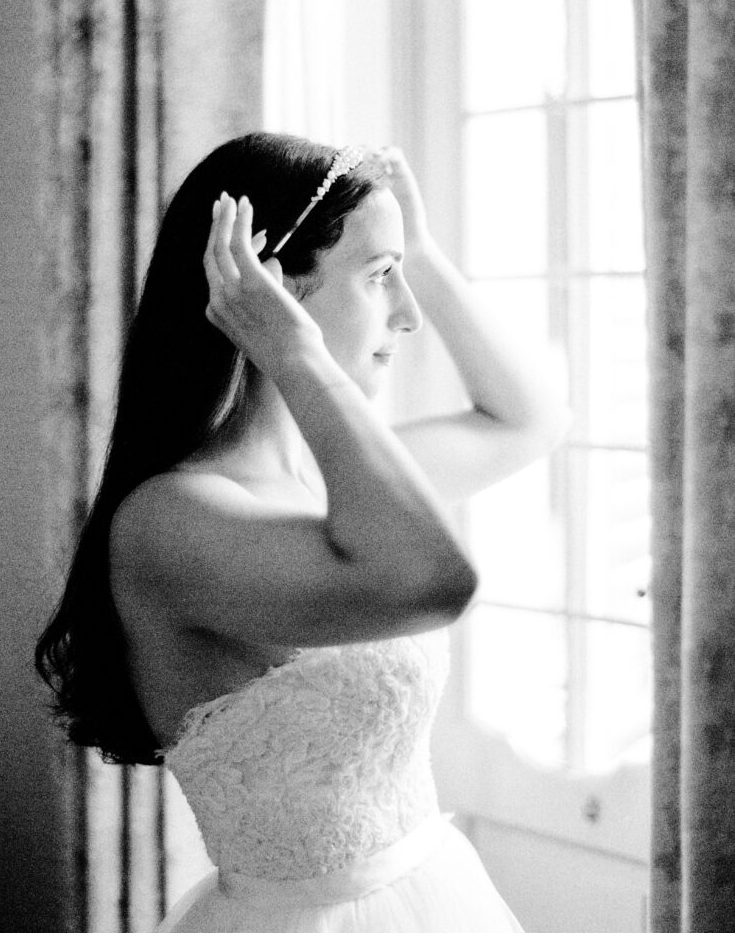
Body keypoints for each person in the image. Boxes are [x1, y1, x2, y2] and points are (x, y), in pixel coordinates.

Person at [36, 132, 568, 932]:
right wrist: (292, 349)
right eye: (381, 278)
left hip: (433, 892)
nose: (409, 315)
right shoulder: (172, 522)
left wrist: (415, 251)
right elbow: (432, 583)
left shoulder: (328, 487)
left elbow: (528, 420)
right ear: (271, 289)